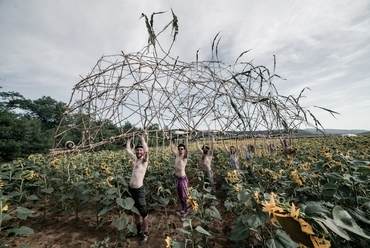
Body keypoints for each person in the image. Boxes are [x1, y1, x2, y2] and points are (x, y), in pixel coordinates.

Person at [125, 132, 150, 245]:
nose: (139, 152)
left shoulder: (144, 161)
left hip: (139, 190)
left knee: (143, 212)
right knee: (135, 211)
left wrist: (142, 138)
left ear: (143, 152)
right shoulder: (135, 159)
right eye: (138, 150)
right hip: (131, 189)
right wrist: (129, 140)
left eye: (141, 150)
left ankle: (145, 233)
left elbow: (147, 151)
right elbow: (128, 151)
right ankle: (138, 230)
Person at [169, 134, 190, 218]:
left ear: (184, 150)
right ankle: (183, 209)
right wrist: (171, 141)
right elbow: (172, 148)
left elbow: (187, 149)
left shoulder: (185, 157)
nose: (180, 150)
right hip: (177, 179)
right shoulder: (177, 156)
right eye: (179, 149)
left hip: (182, 179)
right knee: (180, 195)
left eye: (182, 149)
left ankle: (187, 211)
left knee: (184, 195)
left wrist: (186, 139)